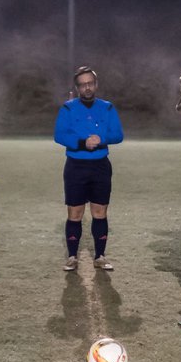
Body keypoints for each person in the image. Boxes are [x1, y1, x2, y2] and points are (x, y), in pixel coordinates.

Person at [54, 65, 124, 271]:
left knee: (99, 212)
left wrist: (101, 139)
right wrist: (83, 142)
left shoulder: (108, 107)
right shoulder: (67, 108)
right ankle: (72, 256)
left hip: (101, 166)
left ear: (96, 85)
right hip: (76, 166)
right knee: (74, 213)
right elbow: (59, 135)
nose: (87, 88)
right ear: (77, 88)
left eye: (90, 83)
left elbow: (118, 134)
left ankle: (100, 256)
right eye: (83, 84)